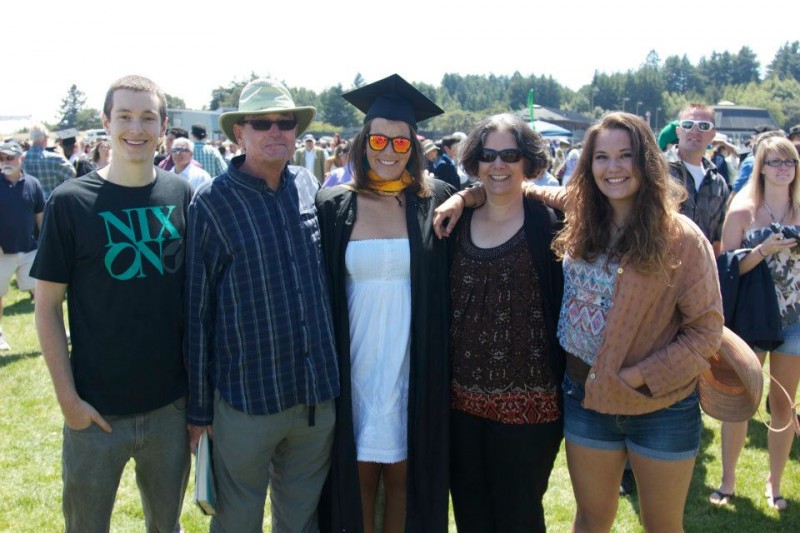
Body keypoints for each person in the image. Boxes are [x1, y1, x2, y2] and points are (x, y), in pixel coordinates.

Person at [435, 112, 723, 533]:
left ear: (647, 161)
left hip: (659, 405)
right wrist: (465, 197)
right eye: (602, 157)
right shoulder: (581, 216)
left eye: (626, 155)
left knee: (662, 525)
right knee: (591, 519)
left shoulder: (680, 235)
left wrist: (638, 376)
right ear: (589, 166)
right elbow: (515, 187)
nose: (614, 167)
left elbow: (706, 332)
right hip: (586, 399)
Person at [31, 75, 192, 532]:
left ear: (163, 127)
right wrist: (68, 402)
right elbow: (46, 307)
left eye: (147, 117)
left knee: (168, 526)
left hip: (169, 410)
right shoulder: (70, 202)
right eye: (124, 116)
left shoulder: (181, 195)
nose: (135, 128)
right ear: (106, 122)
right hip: (94, 412)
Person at [185, 77, 338, 532]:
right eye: (262, 123)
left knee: (302, 522)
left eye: (285, 122)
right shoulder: (212, 202)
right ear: (239, 133)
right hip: (247, 401)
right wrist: (198, 413)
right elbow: (197, 313)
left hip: (314, 398)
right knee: (237, 522)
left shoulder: (311, 185)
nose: (276, 131)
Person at [316, 73, 452, 533]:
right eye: (378, 138)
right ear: (363, 140)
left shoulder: (435, 202)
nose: (388, 150)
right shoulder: (334, 206)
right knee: (356, 479)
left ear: (414, 145)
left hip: (412, 365)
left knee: (403, 480)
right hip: (355, 362)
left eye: (400, 141)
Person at [447, 114, 564, 532]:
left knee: (519, 516)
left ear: (527, 161)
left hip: (531, 408)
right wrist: (464, 199)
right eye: (487, 155)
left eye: (509, 155)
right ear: (475, 163)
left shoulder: (550, 223)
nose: (498, 165)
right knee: (471, 517)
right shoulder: (454, 224)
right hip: (461, 404)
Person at [711, 136, 800, 511]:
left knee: (783, 403)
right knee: (740, 399)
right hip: (752, 318)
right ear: (760, 166)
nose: (784, 168)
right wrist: (764, 249)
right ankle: (728, 481)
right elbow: (727, 269)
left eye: (790, 162)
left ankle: (774, 482)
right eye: (776, 161)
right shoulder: (742, 211)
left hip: (794, 318)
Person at [0, 141, 45, 351]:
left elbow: (40, 218)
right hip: (2, 253)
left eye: (9, 157)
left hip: (29, 250)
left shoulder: (33, 184)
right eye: (1, 158)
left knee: (42, 294)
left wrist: (46, 245)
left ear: (21, 158)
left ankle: (53, 332)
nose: (5, 162)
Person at [669, 103, 730, 255]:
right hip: (659, 267)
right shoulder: (655, 171)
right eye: (688, 125)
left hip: (701, 271)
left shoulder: (718, 183)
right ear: (678, 131)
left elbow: (718, 238)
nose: (695, 131)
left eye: (703, 126)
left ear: (712, 134)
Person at [23, 123, 76, 198]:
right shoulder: (54, 158)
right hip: (50, 203)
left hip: (29, 203)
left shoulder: (19, 159)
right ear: (45, 137)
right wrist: (62, 155)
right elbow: (72, 174)